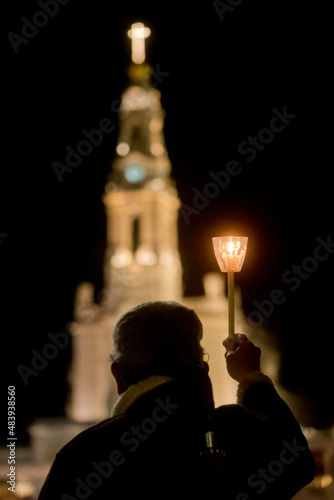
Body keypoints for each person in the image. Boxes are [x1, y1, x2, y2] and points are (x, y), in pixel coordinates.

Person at [38, 301, 315, 499]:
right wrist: (252, 377)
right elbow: (297, 462)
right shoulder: (234, 432)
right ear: (203, 367)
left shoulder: (83, 454)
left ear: (119, 375)